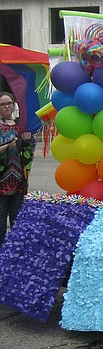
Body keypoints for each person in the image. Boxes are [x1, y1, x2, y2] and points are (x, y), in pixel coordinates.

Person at [0, 92, 35, 244]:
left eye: (10, 103)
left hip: (18, 182)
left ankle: (15, 254)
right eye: (3, 104)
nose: (8, 106)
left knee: (17, 221)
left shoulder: (21, 126)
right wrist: (8, 145)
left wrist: (27, 142)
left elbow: (28, 152)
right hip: (1, 183)